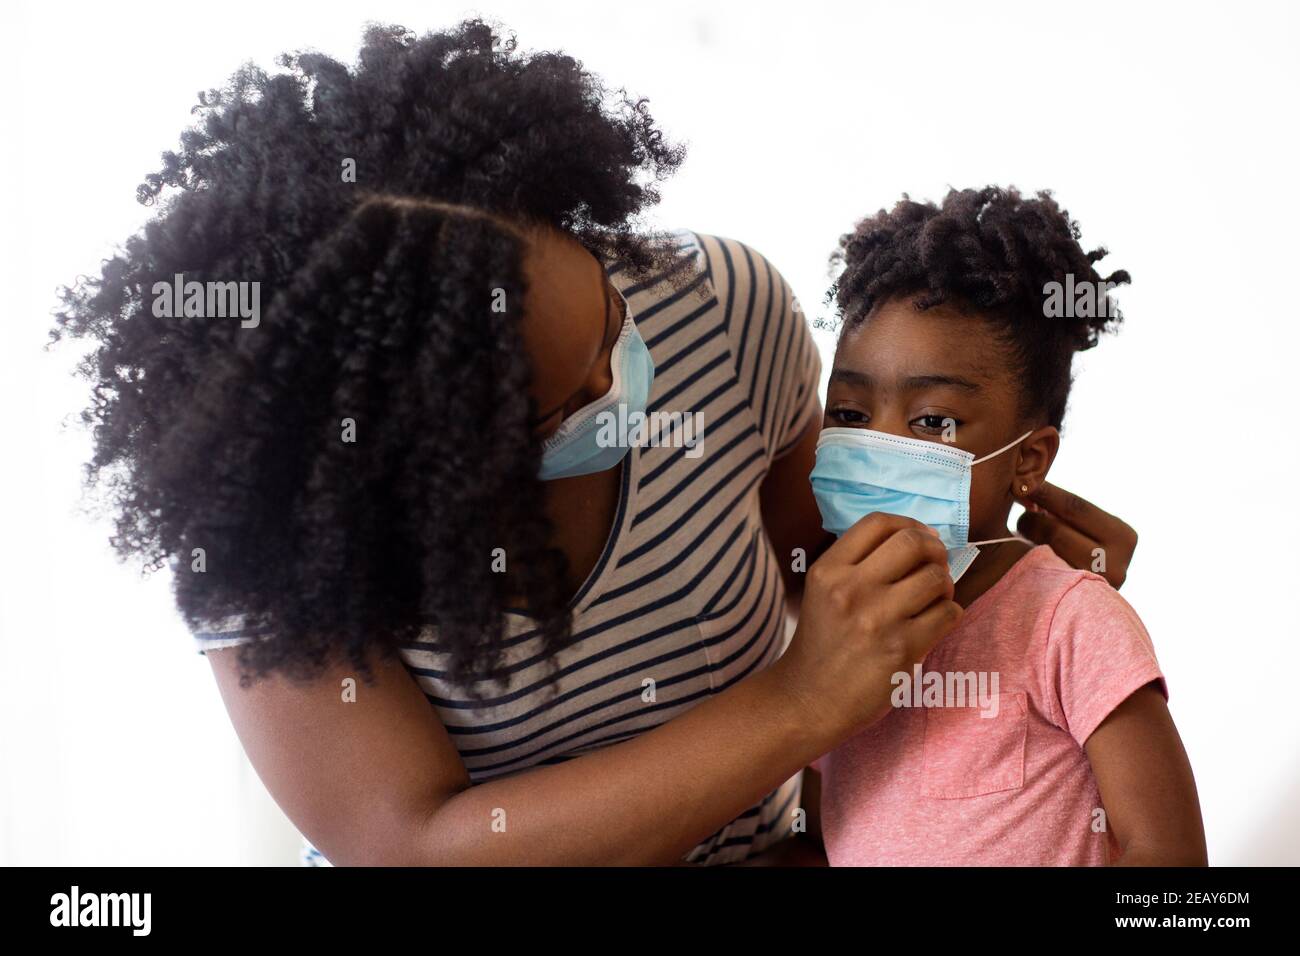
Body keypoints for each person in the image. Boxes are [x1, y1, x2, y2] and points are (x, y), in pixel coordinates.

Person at [52, 22, 1139, 865]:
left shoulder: (715, 306)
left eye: (605, 324)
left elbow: (826, 565)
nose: (619, 382)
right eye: (554, 405)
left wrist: (1012, 588)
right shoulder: (277, 541)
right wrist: (798, 703)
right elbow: (417, 844)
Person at [805, 187, 1205, 865]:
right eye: (848, 413)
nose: (881, 444)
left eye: (933, 421)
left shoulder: (1069, 619)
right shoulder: (831, 634)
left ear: (1028, 459)